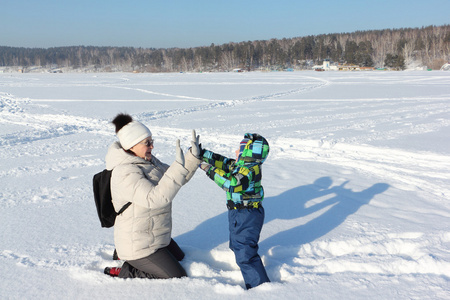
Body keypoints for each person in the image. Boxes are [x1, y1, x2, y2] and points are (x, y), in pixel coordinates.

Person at [103, 113, 201, 279]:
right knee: (176, 275)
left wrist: (193, 157)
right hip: (138, 244)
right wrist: (177, 168)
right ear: (131, 145)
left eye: (152, 141)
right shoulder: (124, 171)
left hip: (154, 234)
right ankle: (128, 269)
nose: (152, 146)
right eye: (147, 143)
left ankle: (130, 258)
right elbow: (155, 199)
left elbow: (174, 179)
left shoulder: (147, 161)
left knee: (181, 258)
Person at [198, 133, 270, 289]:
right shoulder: (242, 167)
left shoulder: (248, 171)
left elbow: (231, 183)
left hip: (247, 214)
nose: (236, 151)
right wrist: (203, 154)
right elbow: (223, 163)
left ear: (248, 153)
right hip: (240, 213)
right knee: (238, 246)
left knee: (245, 254)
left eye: (240, 149)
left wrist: (208, 169)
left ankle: (261, 288)